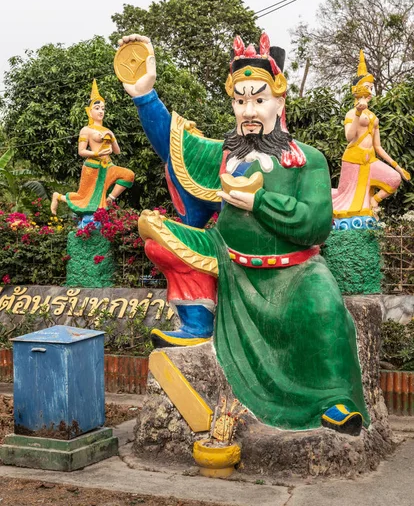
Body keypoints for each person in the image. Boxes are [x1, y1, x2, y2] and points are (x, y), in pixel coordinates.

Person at [120, 32, 369, 434]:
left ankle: (333, 398)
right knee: (157, 236)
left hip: (293, 271)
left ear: (279, 102)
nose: (248, 110)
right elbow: (173, 143)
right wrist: (145, 95)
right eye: (240, 100)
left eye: (258, 99)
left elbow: (316, 224)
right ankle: (198, 321)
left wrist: (259, 203)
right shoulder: (224, 153)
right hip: (228, 258)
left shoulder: (308, 160)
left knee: (323, 307)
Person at [332, 50, 410, 224]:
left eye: (371, 88)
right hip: (353, 160)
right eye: (368, 88)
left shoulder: (374, 117)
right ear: (357, 90)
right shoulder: (351, 113)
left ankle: (374, 201)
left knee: (393, 179)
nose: (370, 92)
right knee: (345, 197)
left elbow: (379, 147)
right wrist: (358, 114)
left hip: (370, 161)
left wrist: (397, 167)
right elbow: (349, 137)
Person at [51, 79, 134, 221]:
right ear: (89, 112)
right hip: (92, 167)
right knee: (84, 197)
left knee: (129, 175)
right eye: (97, 108)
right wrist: (97, 153)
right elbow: (81, 151)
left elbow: (117, 151)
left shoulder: (107, 130)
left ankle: (110, 199)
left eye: (102, 108)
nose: (101, 111)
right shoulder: (86, 130)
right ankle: (57, 196)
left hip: (108, 166)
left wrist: (112, 137)